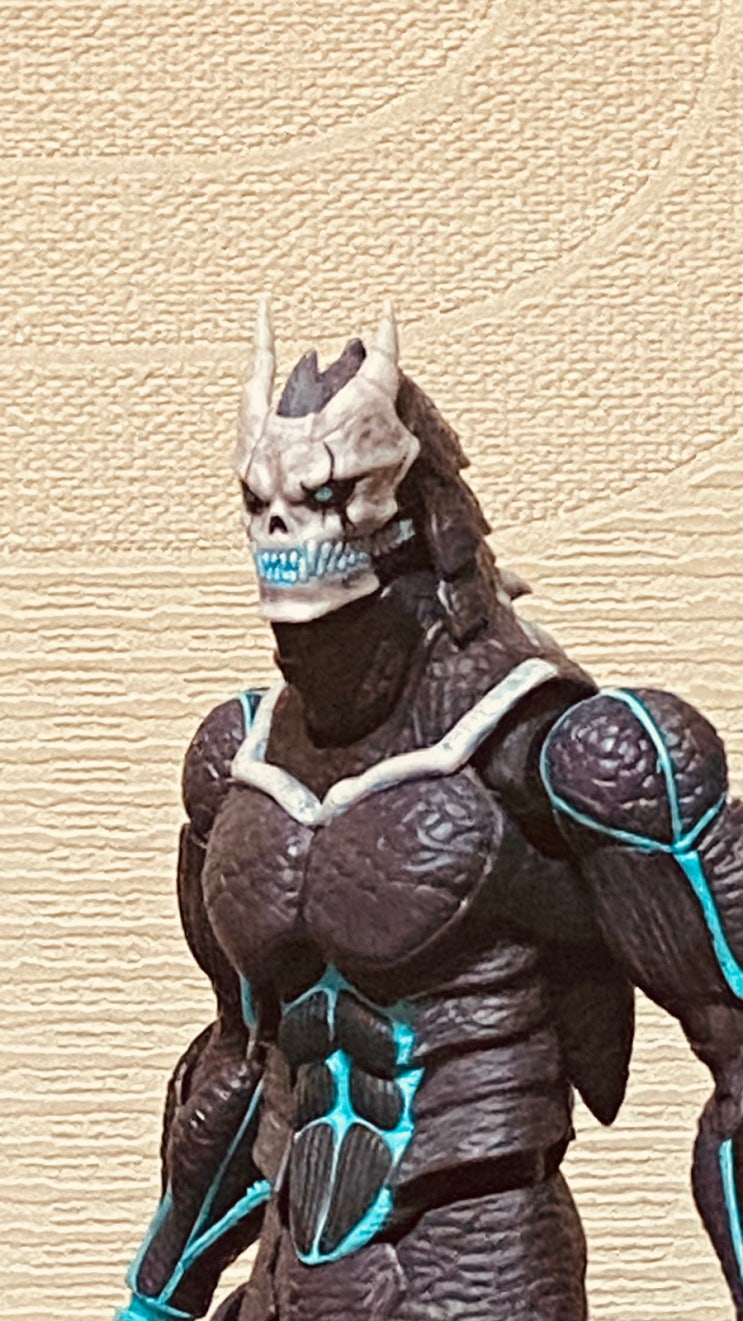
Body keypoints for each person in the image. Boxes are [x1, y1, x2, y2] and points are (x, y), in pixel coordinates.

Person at [114, 303, 743, 1320]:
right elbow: (243, 1049)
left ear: (416, 517)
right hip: (287, 1267)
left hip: (474, 1255)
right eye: (262, 501)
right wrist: (159, 1296)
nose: (284, 528)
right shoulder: (239, 757)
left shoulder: (564, 749)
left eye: (324, 496)